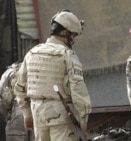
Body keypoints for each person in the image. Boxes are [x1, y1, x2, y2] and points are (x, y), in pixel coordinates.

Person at [14, 9, 92, 141]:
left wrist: (26, 113)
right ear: (64, 32)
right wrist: (83, 117)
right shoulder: (67, 55)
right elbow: (78, 88)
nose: (74, 41)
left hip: (38, 114)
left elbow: (20, 86)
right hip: (62, 117)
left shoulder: (32, 53)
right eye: (73, 36)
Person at [0, 62, 33, 141]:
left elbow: (1, 99)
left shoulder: (10, 72)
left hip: (16, 113)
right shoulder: (37, 71)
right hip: (36, 112)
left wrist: (7, 115)